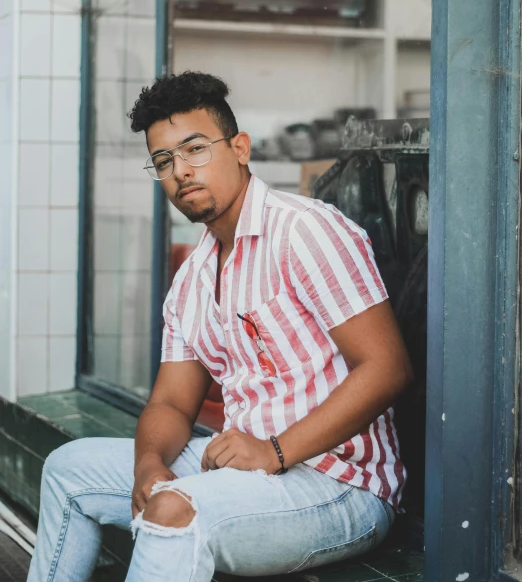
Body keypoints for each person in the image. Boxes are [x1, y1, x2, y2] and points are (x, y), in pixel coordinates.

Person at [28, 72, 413, 582]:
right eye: (164, 161)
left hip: (339, 485)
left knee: (172, 513)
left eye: (194, 149)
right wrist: (147, 467)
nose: (180, 171)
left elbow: (387, 368)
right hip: (239, 473)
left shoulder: (304, 231)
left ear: (239, 148)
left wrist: (275, 451)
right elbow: (170, 403)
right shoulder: (193, 276)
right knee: (67, 469)